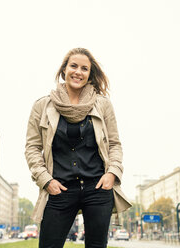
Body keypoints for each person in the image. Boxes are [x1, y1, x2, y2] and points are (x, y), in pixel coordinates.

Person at [25, 47, 132, 248]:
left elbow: (115, 144)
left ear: (89, 74)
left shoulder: (103, 104)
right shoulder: (42, 106)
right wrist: (45, 180)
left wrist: (112, 173)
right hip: (60, 189)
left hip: (98, 188)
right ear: (64, 69)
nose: (78, 72)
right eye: (73, 66)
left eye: (84, 68)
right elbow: (32, 147)